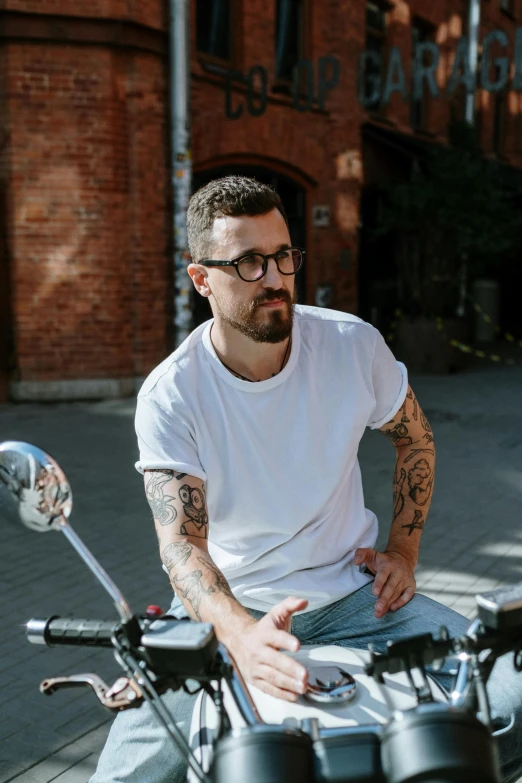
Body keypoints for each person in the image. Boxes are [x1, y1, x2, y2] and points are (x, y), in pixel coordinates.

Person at [91, 176, 522, 783]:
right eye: (246, 262)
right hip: (231, 610)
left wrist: (403, 550)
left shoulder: (351, 345)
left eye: (282, 256)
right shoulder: (172, 394)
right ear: (201, 279)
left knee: (508, 694)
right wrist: (241, 636)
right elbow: (181, 544)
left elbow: (415, 440)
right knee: (126, 773)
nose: (274, 278)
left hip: (363, 601)